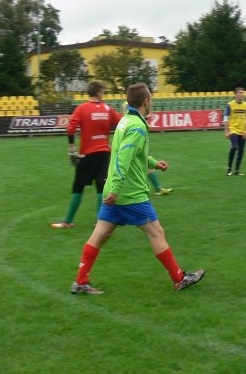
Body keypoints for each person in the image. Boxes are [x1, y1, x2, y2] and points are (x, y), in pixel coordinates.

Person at [70, 82, 204, 294]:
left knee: (100, 234)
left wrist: (152, 163)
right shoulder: (137, 126)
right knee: (156, 232)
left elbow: (131, 154)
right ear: (146, 101)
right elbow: (123, 158)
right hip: (129, 194)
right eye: (151, 97)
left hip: (113, 191)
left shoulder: (125, 121)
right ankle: (179, 278)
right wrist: (116, 189)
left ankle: (80, 281)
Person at [51, 80, 121, 228]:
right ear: (99, 92)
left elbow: (70, 129)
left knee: (79, 186)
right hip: (104, 153)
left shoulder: (82, 108)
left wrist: (71, 147)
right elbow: (121, 122)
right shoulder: (107, 109)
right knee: (101, 186)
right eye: (103, 91)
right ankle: (100, 220)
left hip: (87, 154)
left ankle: (68, 221)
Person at [121, 99, 173, 196]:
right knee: (135, 162)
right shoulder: (128, 105)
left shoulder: (127, 104)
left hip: (133, 136)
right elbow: (135, 116)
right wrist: (145, 117)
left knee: (144, 161)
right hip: (133, 136)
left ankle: (158, 188)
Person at [223, 86, 246, 176]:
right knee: (235, 147)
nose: (242, 94)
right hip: (233, 129)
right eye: (240, 93)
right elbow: (226, 119)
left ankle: (237, 170)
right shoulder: (230, 105)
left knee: (241, 151)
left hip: (242, 130)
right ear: (235, 94)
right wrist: (226, 131)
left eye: (243, 93)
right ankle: (229, 168)